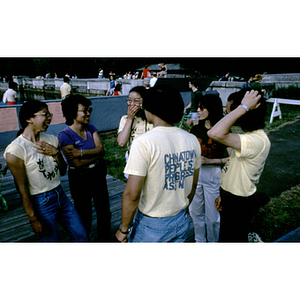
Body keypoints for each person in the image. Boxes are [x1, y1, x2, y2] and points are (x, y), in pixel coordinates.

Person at [115, 84, 202, 243]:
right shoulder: (192, 140)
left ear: (150, 108)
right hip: (181, 218)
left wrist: (123, 229)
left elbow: (132, 194)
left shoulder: (143, 142)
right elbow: (193, 184)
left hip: (152, 224)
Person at [3, 100, 87, 242]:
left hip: (60, 195)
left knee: (81, 235)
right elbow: (22, 190)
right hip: (41, 202)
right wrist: (33, 218)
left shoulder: (52, 140)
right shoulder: (16, 150)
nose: (49, 118)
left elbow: (63, 171)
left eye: (50, 114)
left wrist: (56, 153)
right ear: (29, 119)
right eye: (45, 114)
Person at [208, 89, 271, 242]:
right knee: (228, 237)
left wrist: (243, 106)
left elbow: (214, 133)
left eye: (231, 110)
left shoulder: (256, 141)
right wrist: (223, 192)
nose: (228, 114)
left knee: (232, 240)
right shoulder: (250, 138)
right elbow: (234, 167)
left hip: (238, 202)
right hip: (231, 196)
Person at [58, 95, 111, 241]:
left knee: (104, 210)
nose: (88, 113)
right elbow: (77, 164)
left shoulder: (91, 128)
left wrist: (81, 152)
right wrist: (96, 155)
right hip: (80, 178)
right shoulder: (65, 135)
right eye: (84, 110)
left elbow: (102, 150)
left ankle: (104, 239)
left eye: (89, 109)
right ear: (72, 112)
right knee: (84, 212)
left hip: (97, 173)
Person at [189, 93, 231, 242]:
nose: (198, 110)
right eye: (198, 107)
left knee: (213, 217)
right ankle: (199, 241)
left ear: (211, 108)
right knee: (195, 212)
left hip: (213, 175)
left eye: (202, 107)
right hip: (195, 174)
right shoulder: (195, 130)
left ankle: (213, 242)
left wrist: (211, 161)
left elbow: (232, 158)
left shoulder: (223, 131)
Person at [117, 86, 153, 179]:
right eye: (129, 100)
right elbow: (121, 142)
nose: (132, 104)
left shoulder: (151, 119)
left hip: (149, 160)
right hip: (132, 159)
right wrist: (130, 119)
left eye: (136, 101)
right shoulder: (125, 119)